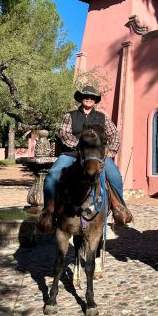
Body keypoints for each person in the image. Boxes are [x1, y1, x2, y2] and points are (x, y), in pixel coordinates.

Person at [38, 85, 132, 228]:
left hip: (96, 156)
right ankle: (48, 214)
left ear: (95, 101)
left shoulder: (102, 118)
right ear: (81, 98)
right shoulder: (69, 116)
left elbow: (114, 135)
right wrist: (81, 146)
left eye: (92, 97)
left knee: (115, 177)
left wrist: (111, 150)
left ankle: (119, 208)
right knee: (52, 175)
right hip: (72, 154)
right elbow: (64, 134)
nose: (89, 99)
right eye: (86, 96)